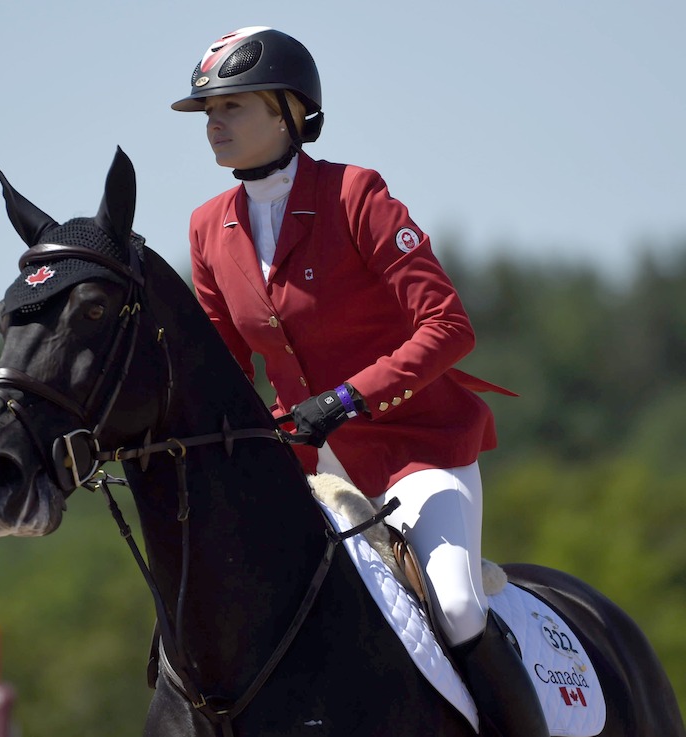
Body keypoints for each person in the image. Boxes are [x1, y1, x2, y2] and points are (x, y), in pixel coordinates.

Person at [172, 26, 547, 737]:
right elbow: (226, 373)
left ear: (288, 111)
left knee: (457, 605)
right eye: (208, 112)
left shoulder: (354, 194)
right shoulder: (206, 227)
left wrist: (348, 397)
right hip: (304, 466)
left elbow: (448, 326)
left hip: (415, 452)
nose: (213, 124)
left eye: (231, 107)